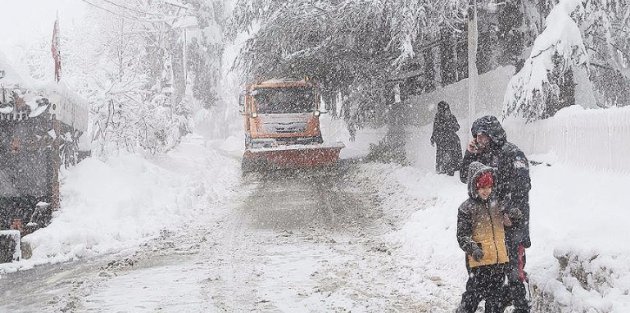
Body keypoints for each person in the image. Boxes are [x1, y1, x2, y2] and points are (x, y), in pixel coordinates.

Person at [460, 115, 531, 313]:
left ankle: (522, 306)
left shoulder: (512, 154)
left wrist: (510, 214)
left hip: (510, 223)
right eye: (477, 137)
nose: (479, 140)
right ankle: (495, 303)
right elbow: (466, 177)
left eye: (482, 136)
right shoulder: (481, 155)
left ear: (492, 135)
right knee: (487, 269)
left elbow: (522, 188)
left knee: (513, 269)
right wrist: (469, 154)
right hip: (487, 224)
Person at [456, 161, 509, 313]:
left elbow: (508, 225)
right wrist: (473, 249)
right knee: (471, 298)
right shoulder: (467, 208)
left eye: (489, 187)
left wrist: (513, 217)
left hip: (498, 262)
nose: (486, 191)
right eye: (482, 187)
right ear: (474, 187)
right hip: (479, 262)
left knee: (495, 301)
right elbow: (462, 235)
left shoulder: (497, 205)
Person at [430, 101, 462, 176]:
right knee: (444, 156)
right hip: (442, 141)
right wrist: (433, 138)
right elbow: (435, 129)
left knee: (452, 156)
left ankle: (452, 170)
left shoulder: (451, 117)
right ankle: (443, 171)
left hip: (452, 140)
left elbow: (457, 127)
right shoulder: (437, 118)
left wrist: (450, 125)